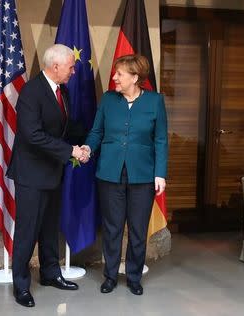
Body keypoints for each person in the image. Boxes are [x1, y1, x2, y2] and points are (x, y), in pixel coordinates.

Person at [6, 44, 88, 307]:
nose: (74, 70)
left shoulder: (62, 91)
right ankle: (21, 285)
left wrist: (87, 141)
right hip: (31, 174)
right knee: (28, 231)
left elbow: (64, 128)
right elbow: (33, 135)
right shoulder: (32, 91)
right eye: (71, 66)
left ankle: (51, 273)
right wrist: (70, 151)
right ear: (55, 67)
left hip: (52, 171)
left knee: (50, 228)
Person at [82, 54, 168, 296]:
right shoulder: (109, 100)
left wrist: (160, 173)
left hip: (143, 176)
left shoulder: (154, 102)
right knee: (112, 228)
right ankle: (109, 276)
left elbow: (161, 140)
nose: (114, 78)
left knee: (138, 230)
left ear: (135, 77)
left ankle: (133, 277)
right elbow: (96, 132)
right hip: (110, 174)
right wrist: (88, 147)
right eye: (115, 73)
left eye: (120, 74)